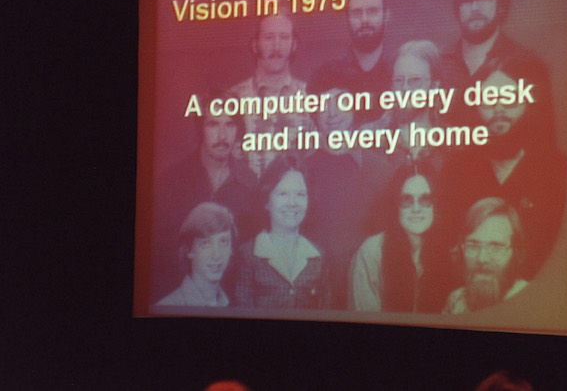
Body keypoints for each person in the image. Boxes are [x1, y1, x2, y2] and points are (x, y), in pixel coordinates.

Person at [440, 55, 566, 280]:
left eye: (509, 99)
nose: (498, 110)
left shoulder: (557, 170)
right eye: (489, 100)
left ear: (528, 103)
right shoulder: (455, 171)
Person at [302, 64, 393, 309]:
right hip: (311, 300)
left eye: (341, 101)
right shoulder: (299, 171)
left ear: (356, 106)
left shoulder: (381, 170)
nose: (332, 113)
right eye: (323, 104)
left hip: (367, 298)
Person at [152, 91, 255, 302]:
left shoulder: (250, 184)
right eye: (213, 124)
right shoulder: (170, 181)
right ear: (201, 129)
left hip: (232, 303)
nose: (222, 136)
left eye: (230, 125)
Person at [350, 163, 452, 313]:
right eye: (407, 200)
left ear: (436, 204)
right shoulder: (371, 252)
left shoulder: (449, 252)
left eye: (425, 199)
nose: (416, 209)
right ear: (395, 205)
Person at [235, 155, 328, 309]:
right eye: (283, 194)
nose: (292, 203)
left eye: (300, 194)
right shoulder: (247, 255)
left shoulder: (318, 257)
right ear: (266, 200)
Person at [229, 12, 313, 177]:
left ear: (294, 45)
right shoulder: (233, 98)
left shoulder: (310, 98)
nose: (276, 47)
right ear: (255, 45)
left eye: (284, 37)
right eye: (269, 38)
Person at [441, 0, 548, 93]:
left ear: (500, 4)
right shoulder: (438, 65)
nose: (475, 7)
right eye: (467, 0)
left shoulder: (527, 64)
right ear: (457, 8)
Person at [363, 40, 450, 171]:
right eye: (398, 80)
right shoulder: (369, 138)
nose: (405, 88)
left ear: (434, 86)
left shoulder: (453, 140)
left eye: (415, 80)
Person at [443, 197, 528, 314]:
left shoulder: (531, 302)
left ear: (516, 252)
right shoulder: (455, 302)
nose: (482, 258)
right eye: (473, 245)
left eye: (496, 247)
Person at [324, 0, 392, 124]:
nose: (364, 20)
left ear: (386, 16)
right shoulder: (324, 76)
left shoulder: (400, 71)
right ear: (347, 19)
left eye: (372, 11)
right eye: (356, 13)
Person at [156, 202, 237, 307]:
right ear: (189, 250)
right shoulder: (166, 307)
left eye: (223, 242)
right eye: (205, 243)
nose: (216, 255)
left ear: (231, 249)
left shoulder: (229, 305)